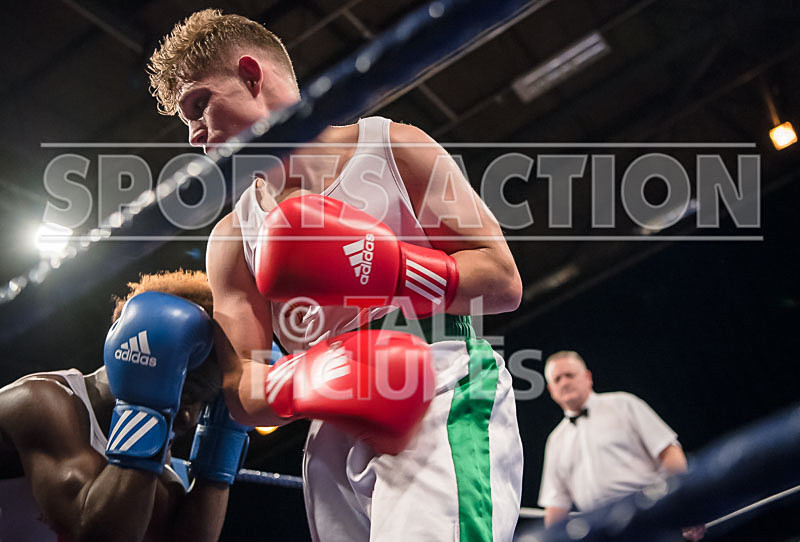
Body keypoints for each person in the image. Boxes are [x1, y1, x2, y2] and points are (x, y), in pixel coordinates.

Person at [148, 9, 524, 541]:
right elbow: (245, 392)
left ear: (252, 76)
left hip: (437, 384)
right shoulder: (232, 239)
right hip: (329, 430)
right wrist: (314, 375)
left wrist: (391, 269)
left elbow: (502, 280)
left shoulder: (393, 147)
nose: (193, 135)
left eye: (198, 104)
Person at [0, 270, 249, 541]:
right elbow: (94, 536)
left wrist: (220, 452)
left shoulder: (149, 447)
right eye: (188, 392)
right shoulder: (41, 403)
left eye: (206, 403)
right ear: (147, 362)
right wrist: (146, 406)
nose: (190, 416)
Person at [538, 350, 705, 541]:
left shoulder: (623, 405)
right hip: (600, 532)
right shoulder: (555, 440)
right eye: (557, 379)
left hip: (648, 515)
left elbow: (670, 453)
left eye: (569, 375)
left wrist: (687, 506)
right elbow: (556, 504)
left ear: (587, 377)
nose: (565, 382)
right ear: (551, 390)